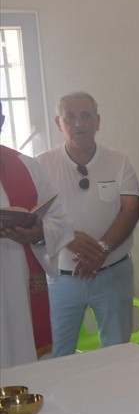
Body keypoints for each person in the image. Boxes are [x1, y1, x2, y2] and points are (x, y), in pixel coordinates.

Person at [37, 92, 139, 357]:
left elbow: (130, 210)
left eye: (86, 116)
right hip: (61, 279)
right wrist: (69, 238)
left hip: (113, 273)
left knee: (118, 354)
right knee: (56, 355)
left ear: (98, 122)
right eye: (69, 117)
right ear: (58, 123)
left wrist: (101, 250)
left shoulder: (119, 161)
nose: (78, 123)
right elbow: (36, 217)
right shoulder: (40, 165)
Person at [1, 100, 70, 367]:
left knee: (23, 364)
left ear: (2, 121)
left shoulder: (25, 166)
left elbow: (60, 220)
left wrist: (39, 232)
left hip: (19, 288)